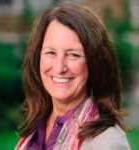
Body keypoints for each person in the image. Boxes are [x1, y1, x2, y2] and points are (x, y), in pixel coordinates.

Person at [15, 3, 131, 150]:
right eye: (51, 52)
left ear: (94, 62)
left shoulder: (106, 142)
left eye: (73, 55)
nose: (59, 67)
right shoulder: (37, 125)